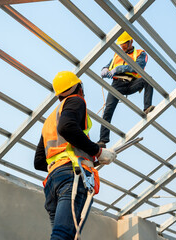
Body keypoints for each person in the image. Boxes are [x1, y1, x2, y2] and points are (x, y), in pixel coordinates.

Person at [34, 71, 117, 240]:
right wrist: (97, 152)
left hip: (53, 182)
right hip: (71, 177)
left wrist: (87, 157)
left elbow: (39, 161)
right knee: (63, 236)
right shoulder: (75, 101)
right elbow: (67, 128)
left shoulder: (51, 119)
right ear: (78, 87)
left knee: (67, 236)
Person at [98, 31, 155, 147]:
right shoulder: (116, 54)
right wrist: (104, 69)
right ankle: (102, 141)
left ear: (131, 42)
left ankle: (147, 107)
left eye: (124, 44)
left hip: (131, 83)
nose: (122, 47)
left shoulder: (140, 54)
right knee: (108, 111)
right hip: (117, 85)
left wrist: (119, 69)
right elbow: (108, 65)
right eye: (121, 44)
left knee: (149, 79)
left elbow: (137, 67)